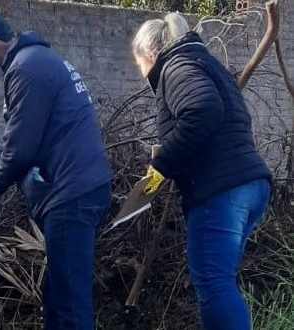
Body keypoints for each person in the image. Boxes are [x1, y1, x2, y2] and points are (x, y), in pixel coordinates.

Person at [0, 11, 113, 330]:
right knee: (56, 295)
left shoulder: (26, 69)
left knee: (70, 304)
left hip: (71, 196)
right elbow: (11, 138)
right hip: (74, 191)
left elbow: (21, 147)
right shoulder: (32, 62)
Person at [132, 13, 272, 330]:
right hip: (250, 185)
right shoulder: (205, 64)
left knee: (213, 283)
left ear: (151, 54)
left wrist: (161, 165)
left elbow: (204, 111)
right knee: (220, 280)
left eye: (139, 63)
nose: (142, 73)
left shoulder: (176, 67)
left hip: (221, 192)